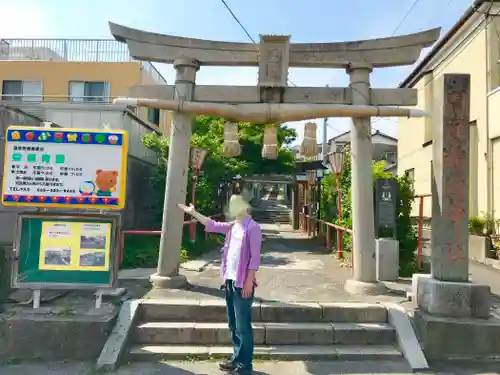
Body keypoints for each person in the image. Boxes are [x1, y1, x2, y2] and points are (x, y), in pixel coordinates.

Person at [178, 195, 262, 375]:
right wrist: (193, 213)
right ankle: (237, 358)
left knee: (243, 327)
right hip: (230, 282)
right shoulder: (233, 227)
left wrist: (249, 281)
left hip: (242, 284)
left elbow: (255, 259)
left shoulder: (252, 228)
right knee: (233, 324)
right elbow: (212, 225)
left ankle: (245, 367)